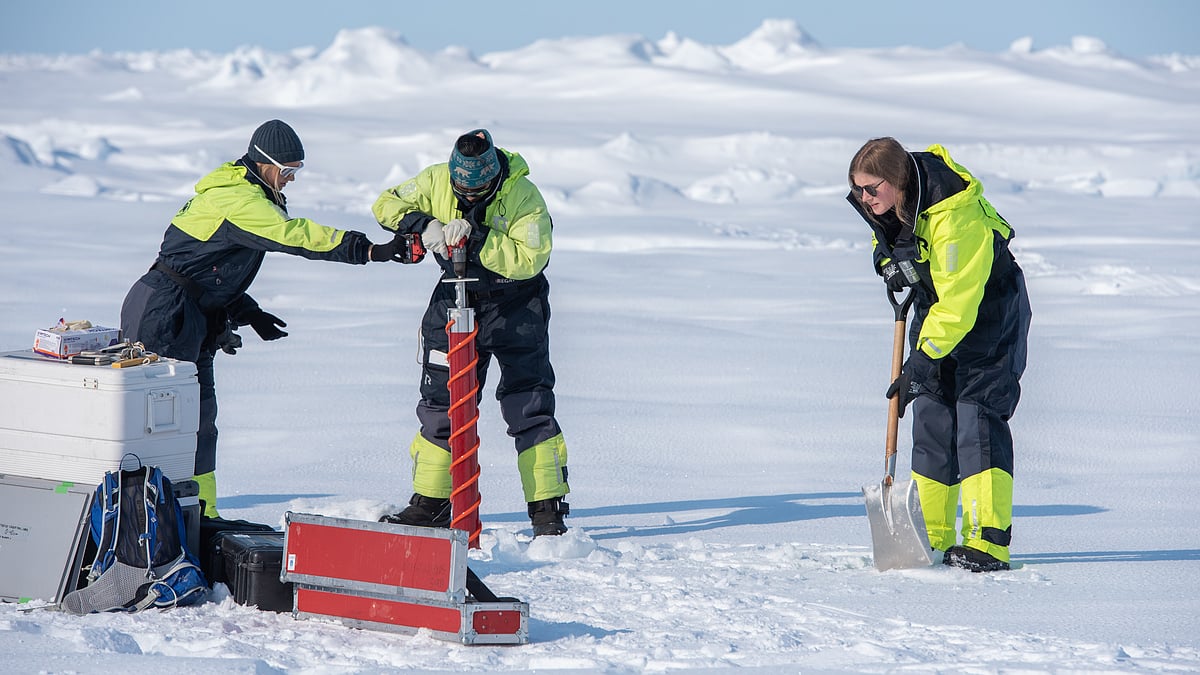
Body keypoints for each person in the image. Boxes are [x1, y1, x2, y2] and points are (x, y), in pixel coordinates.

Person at [121, 119, 420, 518]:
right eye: (288, 171)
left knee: (200, 423)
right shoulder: (239, 198)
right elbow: (294, 235)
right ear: (264, 163)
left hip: (192, 312)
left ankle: (201, 516)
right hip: (164, 314)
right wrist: (368, 250)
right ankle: (141, 519)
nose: (291, 180)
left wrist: (246, 310)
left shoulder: (250, 191)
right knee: (162, 426)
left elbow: (209, 264)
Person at [372, 129, 571, 537]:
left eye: (479, 188)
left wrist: (475, 237)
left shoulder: (524, 197)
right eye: (462, 186)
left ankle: (547, 511)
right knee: (441, 403)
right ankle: (431, 504)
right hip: (452, 301)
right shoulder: (434, 180)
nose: (469, 194)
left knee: (528, 404)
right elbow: (385, 203)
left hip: (516, 307)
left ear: (495, 176)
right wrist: (423, 224)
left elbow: (531, 258)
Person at [847, 137, 1031, 572]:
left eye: (871, 189)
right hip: (938, 313)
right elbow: (890, 241)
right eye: (858, 189)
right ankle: (931, 533)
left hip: (989, 316)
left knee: (976, 419)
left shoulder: (955, 217)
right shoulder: (892, 202)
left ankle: (987, 542)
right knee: (932, 416)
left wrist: (923, 359)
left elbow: (960, 303)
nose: (864, 198)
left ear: (896, 181)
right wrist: (887, 262)